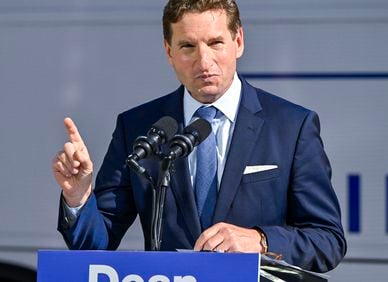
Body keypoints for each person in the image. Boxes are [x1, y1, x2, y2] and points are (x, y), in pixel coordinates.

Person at [52, 0, 346, 273]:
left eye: (216, 43)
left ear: (238, 41)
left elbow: (327, 240)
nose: (204, 61)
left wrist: (261, 241)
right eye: (188, 46)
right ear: (169, 52)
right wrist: (79, 197)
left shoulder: (291, 126)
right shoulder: (138, 127)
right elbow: (94, 247)